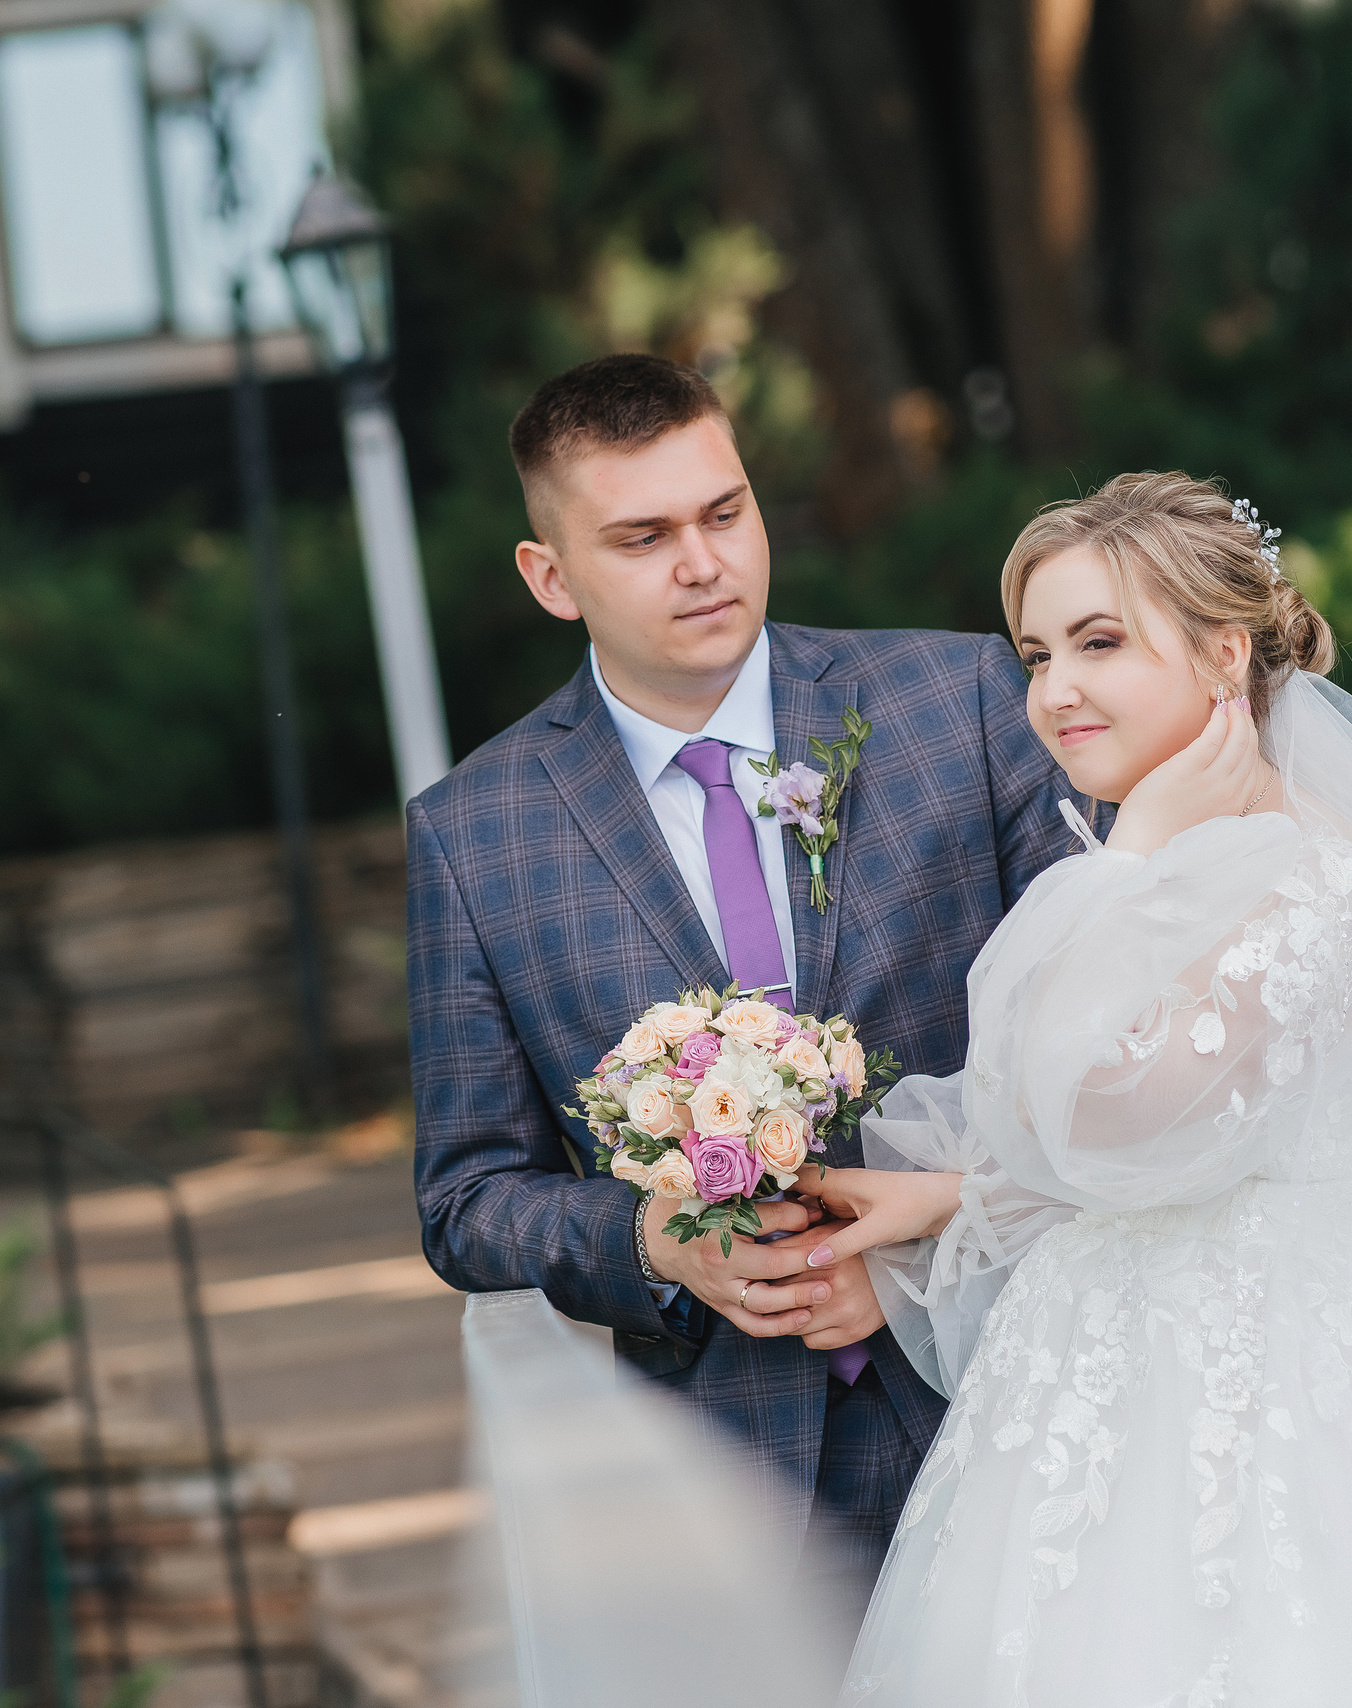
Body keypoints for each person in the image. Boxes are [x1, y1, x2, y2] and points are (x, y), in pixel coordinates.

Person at [798, 472, 1352, 1705]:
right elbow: (1131, 1153)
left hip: (1277, 1414)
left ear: (1222, 652)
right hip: (1077, 1408)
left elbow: (1116, 1122)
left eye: (1099, 642)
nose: (1054, 689)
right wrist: (955, 1198)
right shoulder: (1162, 866)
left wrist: (1129, 862)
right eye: (1036, 653)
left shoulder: (1335, 890)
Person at [406, 353, 1078, 1600]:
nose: (703, 561)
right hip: (726, 1473)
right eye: (642, 535)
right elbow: (465, 1197)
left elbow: (1113, 1047)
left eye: (723, 512)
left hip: (1025, 1391)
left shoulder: (962, 701)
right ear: (549, 576)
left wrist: (941, 1236)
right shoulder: (476, 834)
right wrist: (654, 1238)